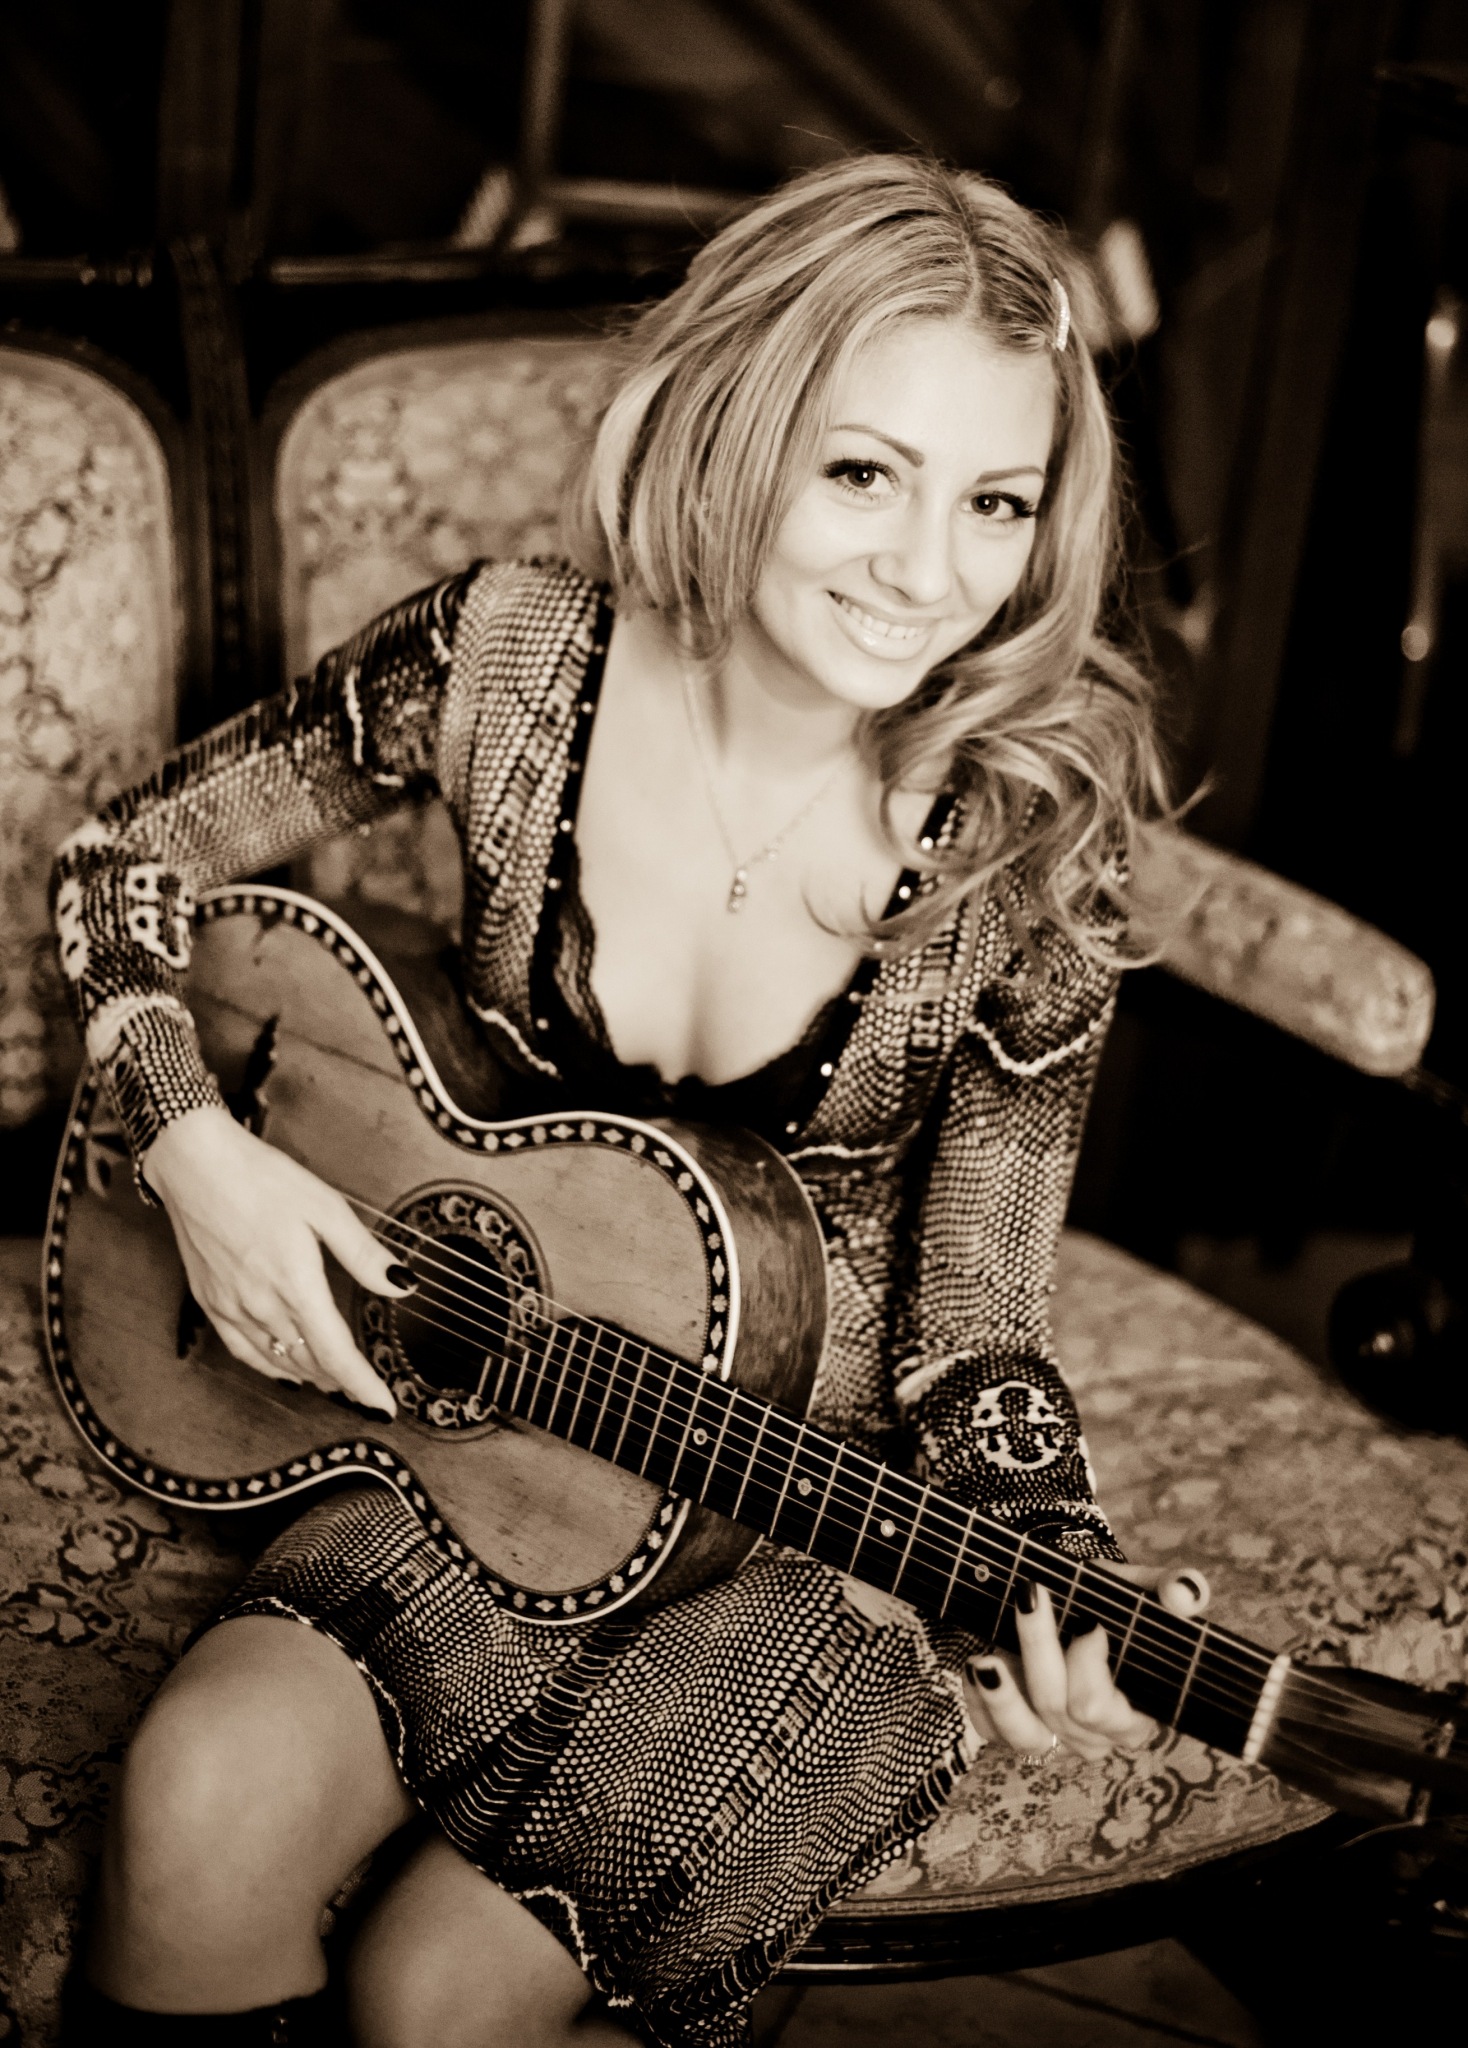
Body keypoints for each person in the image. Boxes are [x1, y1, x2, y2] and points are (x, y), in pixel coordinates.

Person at [53, 153, 1207, 2048]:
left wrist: (1051, 1569)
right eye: (865, 474)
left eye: (997, 502)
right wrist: (195, 1151)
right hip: (499, 1422)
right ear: (732, 430)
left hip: (819, 1539)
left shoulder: (1032, 848)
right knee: (197, 1806)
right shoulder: (509, 662)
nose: (931, 574)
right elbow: (125, 861)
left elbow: (978, 1324)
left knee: (433, 1999)